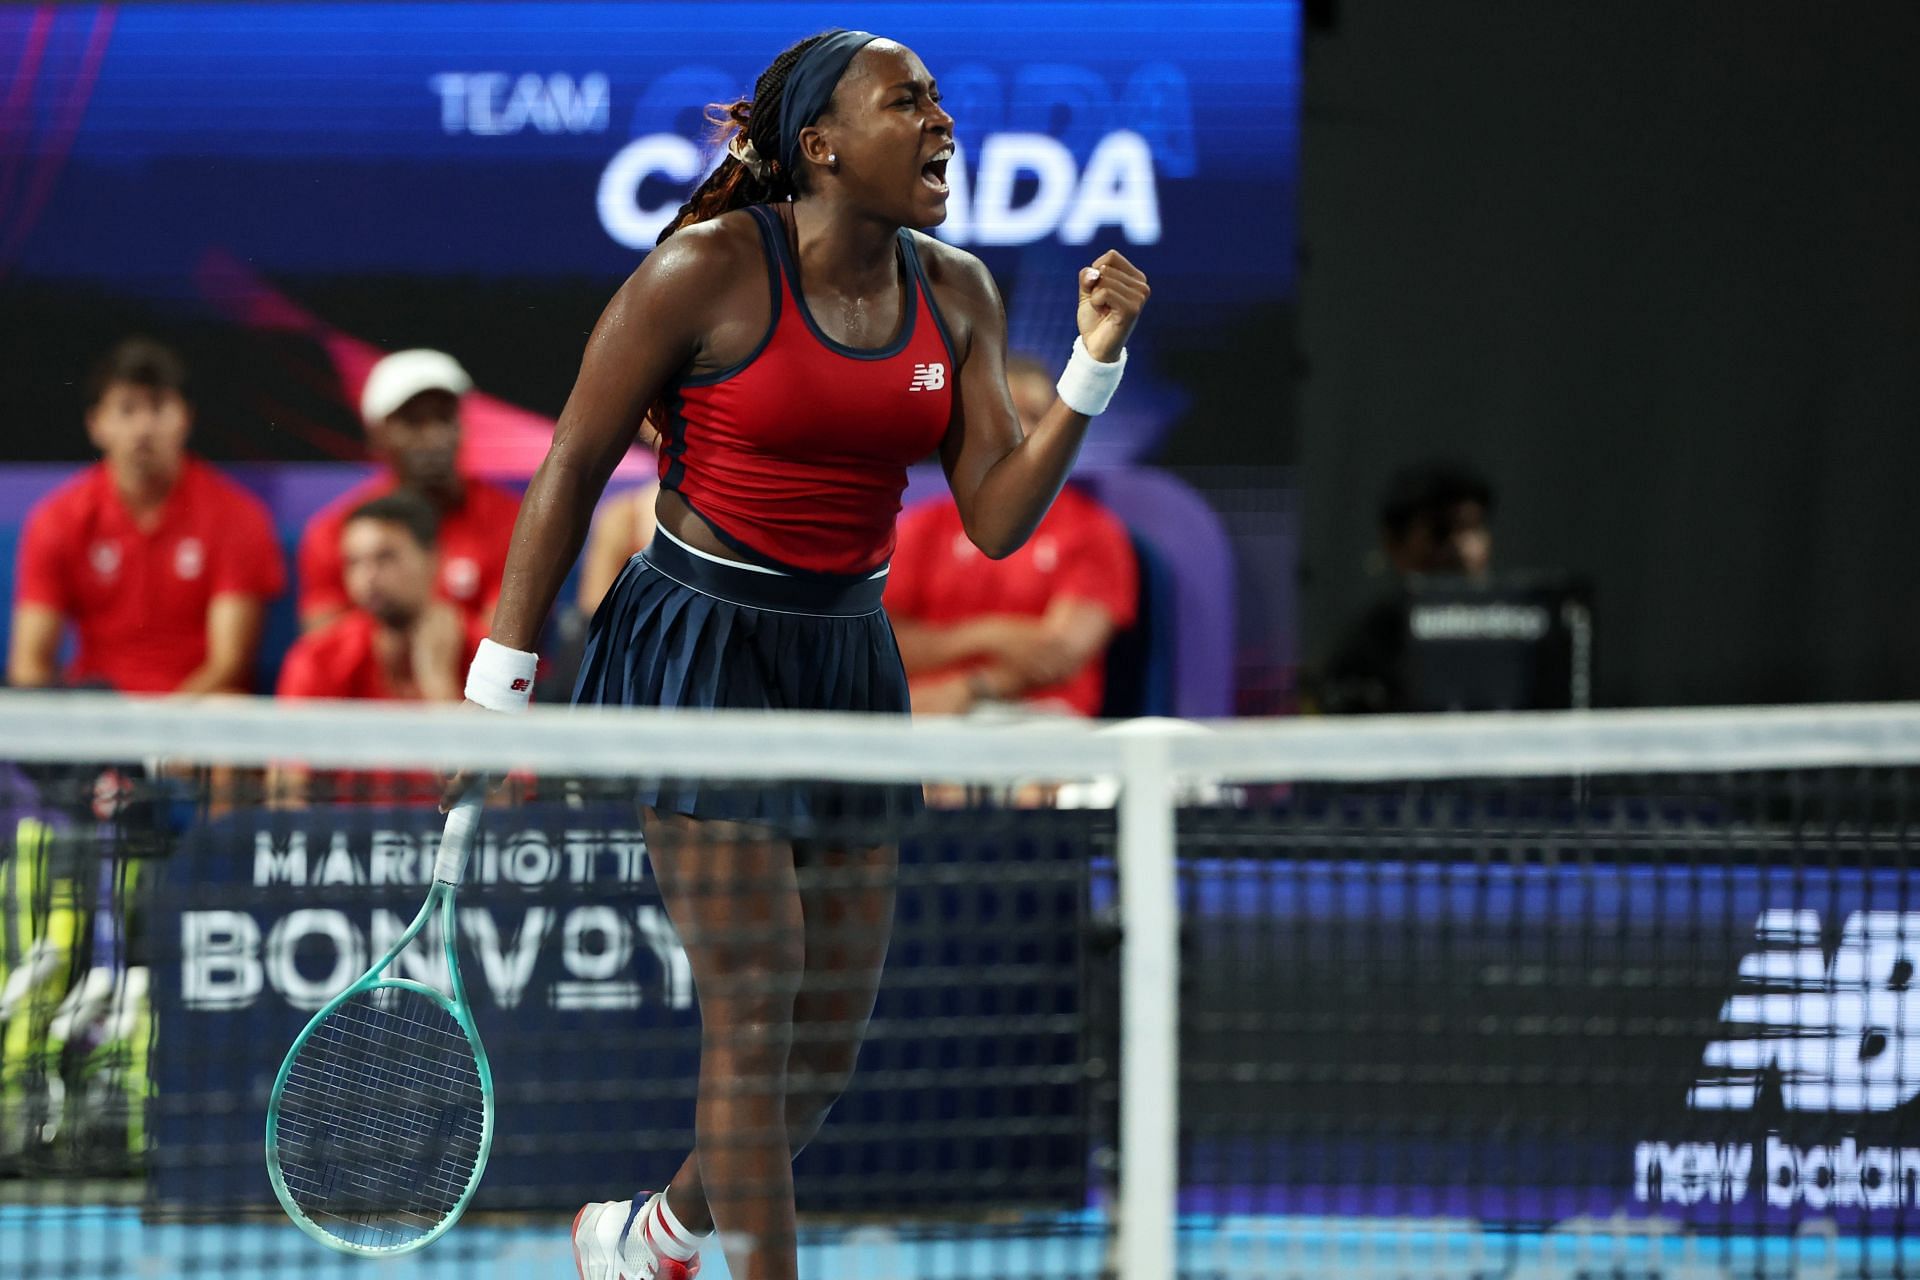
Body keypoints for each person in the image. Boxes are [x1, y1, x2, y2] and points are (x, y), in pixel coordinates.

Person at [442, 31, 1148, 1280]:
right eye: (907, 102)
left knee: (822, 1044)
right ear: (820, 145)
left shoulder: (960, 291)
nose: (941, 122)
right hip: (697, 647)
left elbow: (992, 518)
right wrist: (499, 694)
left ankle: (648, 1237)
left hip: (846, 659)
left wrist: (1091, 364)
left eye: (940, 102)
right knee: (755, 1007)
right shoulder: (704, 272)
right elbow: (567, 471)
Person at [8, 337, 285, 695]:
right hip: (98, 712)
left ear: (186, 419)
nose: (143, 428)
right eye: (126, 409)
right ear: (96, 425)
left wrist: (159, 736)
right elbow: (29, 661)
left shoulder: (238, 516)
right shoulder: (56, 519)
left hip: (198, 713)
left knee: (227, 709)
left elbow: (228, 663)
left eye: (158, 408)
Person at [886, 354, 1138, 716]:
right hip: (929, 718)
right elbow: (884, 646)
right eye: (1002, 410)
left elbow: (1056, 654)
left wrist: (971, 687)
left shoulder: (1092, 532)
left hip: (1041, 720)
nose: (1017, 427)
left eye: (1034, 415)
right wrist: (991, 634)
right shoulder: (920, 527)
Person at [272, 492, 480, 805]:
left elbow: (507, 801)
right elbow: (285, 796)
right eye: (354, 562)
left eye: (385, 558)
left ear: (434, 558)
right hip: (344, 845)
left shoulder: (488, 656)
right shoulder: (317, 658)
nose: (367, 577)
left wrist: (439, 686)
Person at [295, 349, 520, 634]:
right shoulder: (333, 531)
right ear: (377, 434)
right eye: (414, 422)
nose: (435, 437)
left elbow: (508, 643)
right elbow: (324, 652)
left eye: (444, 418)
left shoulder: (513, 521)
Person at [1317, 459, 1496, 713]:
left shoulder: (1523, 631)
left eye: (1472, 528)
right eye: (1440, 531)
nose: (1461, 548)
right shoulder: (1369, 645)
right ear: (1393, 543)